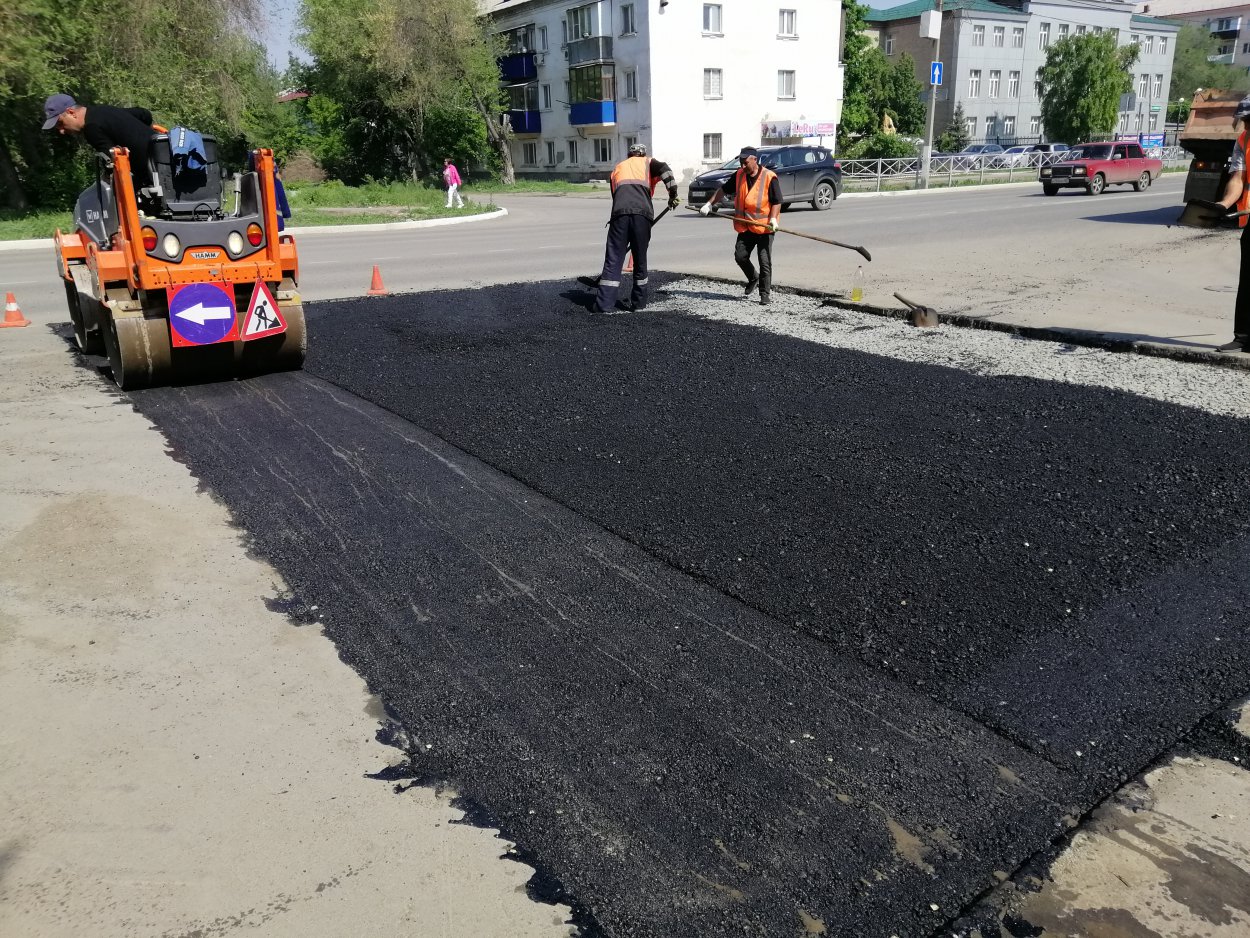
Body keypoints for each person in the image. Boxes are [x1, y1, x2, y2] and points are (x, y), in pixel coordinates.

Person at [593, 142, 679, 313]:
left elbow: (615, 195)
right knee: (640, 259)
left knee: (614, 259)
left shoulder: (618, 168)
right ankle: (638, 303)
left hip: (619, 215)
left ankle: (604, 304)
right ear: (642, 154)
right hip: (642, 216)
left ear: (629, 155)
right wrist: (673, 195)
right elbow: (666, 170)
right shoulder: (648, 162)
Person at [700, 146, 781, 305]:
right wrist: (709, 204)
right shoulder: (739, 175)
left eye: (745, 163)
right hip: (746, 227)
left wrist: (773, 219)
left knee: (764, 261)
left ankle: (764, 294)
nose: (743, 166)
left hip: (765, 227)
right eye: (741, 163)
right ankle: (753, 277)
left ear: (754, 160)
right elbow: (723, 190)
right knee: (740, 256)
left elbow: (777, 201)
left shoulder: (769, 177)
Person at [42, 94, 158, 189]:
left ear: (71, 113)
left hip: (153, 175)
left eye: (60, 124)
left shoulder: (91, 128)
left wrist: (106, 176)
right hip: (165, 157)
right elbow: (144, 114)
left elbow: (110, 160)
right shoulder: (104, 110)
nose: (61, 131)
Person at [1215, 94, 1250, 353]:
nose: (1246, 125)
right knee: (1247, 279)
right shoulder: (1244, 140)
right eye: (1244, 120)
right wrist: (1223, 205)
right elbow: (1238, 179)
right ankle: (1243, 337)